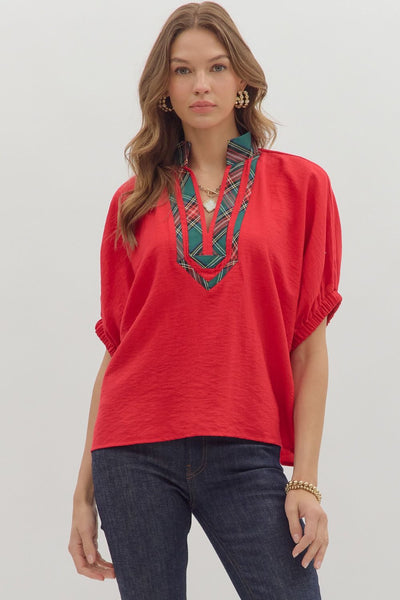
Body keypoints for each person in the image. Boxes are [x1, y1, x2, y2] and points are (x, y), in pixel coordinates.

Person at [68, 2, 343, 599]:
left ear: (241, 80)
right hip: (132, 451)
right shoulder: (132, 202)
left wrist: (306, 482)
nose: (201, 85)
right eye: (183, 70)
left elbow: (309, 346)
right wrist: (82, 494)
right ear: (164, 90)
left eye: (217, 67)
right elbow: (118, 349)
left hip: (246, 446)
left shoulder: (304, 187)